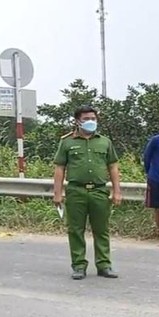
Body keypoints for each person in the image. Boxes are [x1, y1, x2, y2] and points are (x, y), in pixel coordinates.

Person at [52, 105, 122, 280]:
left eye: (93, 118)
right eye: (86, 119)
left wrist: (117, 191)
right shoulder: (67, 142)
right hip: (76, 191)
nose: (90, 122)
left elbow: (113, 166)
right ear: (77, 121)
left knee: (102, 230)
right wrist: (57, 193)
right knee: (75, 230)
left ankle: (104, 265)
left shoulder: (104, 142)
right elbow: (60, 168)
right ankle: (79, 265)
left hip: (99, 191)